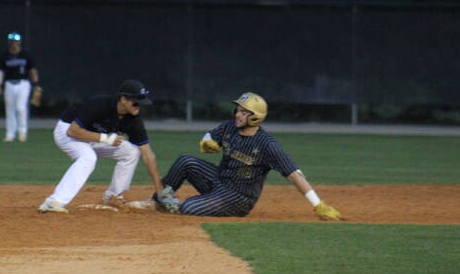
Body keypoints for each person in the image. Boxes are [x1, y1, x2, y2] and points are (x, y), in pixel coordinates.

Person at [129, 92, 342, 220]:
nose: (237, 114)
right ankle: (156, 201)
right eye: (237, 110)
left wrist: (318, 204)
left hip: (238, 198)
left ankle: (190, 205)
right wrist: (207, 142)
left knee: (189, 208)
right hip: (218, 180)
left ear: (255, 117)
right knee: (186, 161)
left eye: (243, 111)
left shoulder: (268, 145)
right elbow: (209, 136)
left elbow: (295, 175)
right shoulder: (229, 126)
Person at [38, 79, 165, 213]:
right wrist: (105, 138)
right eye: (135, 102)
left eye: (141, 103)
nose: (138, 106)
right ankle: (54, 202)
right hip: (66, 131)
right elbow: (73, 131)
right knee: (88, 157)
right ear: (122, 99)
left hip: (93, 137)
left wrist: (159, 188)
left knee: (132, 152)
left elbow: (148, 154)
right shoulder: (100, 105)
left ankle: (113, 196)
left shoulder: (133, 121)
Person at [0, 32, 40, 142]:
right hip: (9, 84)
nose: (14, 44)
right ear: (9, 42)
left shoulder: (25, 55)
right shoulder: (5, 56)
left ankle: (22, 132)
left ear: (19, 43)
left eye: (16, 42)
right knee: (10, 109)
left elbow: (32, 70)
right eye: (12, 42)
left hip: (23, 84)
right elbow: (0, 72)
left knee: (20, 107)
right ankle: (10, 134)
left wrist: (36, 85)